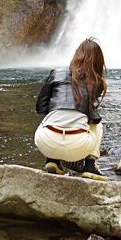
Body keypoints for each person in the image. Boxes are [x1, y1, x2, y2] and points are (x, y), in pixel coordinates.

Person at [34, 38, 108, 181]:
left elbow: (40, 107)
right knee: (97, 125)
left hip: (46, 142)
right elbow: (93, 117)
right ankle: (90, 166)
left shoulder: (56, 73)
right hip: (79, 146)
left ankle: (52, 160)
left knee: (51, 116)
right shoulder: (97, 82)